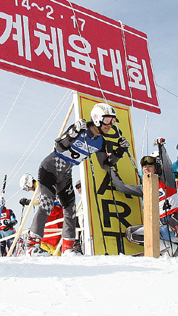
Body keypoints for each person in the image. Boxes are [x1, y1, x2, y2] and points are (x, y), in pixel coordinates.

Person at [29, 103, 134, 256]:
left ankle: (68, 248)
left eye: (112, 121)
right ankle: (32, 246)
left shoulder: (101, 142)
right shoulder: (81, 128)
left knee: (71, 210)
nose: (110, 125)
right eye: (107, 120)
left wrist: (119, 151)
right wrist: (73, 132)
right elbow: (59, 147)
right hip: (50, 168)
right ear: (97, 118)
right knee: (47, 204)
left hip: (65, 174)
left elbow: (105, 165)